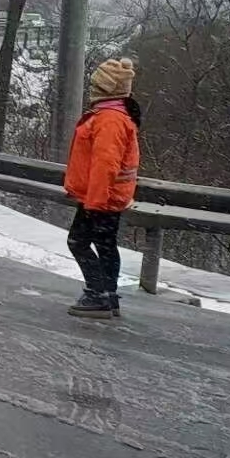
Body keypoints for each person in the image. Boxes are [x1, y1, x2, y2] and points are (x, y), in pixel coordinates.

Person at [64, 57, 141, 320]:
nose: (91, 88)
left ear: (106, 88)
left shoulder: (109, 118)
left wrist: (94, 201)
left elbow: (104, 164)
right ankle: (108, 296)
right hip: (105, 195)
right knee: (105, 243)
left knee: (79, 241)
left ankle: (98, 295)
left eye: (96, 83)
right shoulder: (114, 114)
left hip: (101, 196)